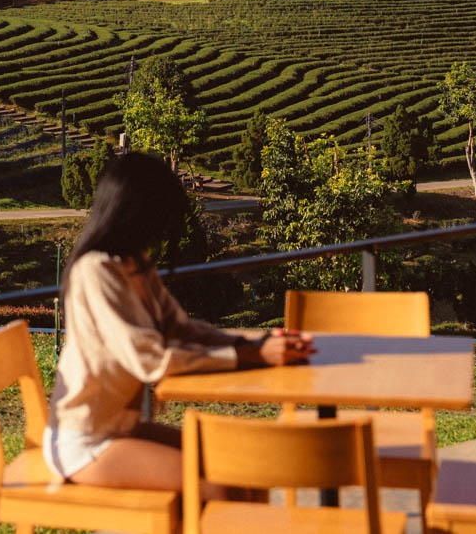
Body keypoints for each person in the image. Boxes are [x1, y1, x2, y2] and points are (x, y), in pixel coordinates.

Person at [44, 152, 314, 493]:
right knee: (220, 489)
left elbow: (179, 326)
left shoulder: (133, 264)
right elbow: (150, 360)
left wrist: (252, 344)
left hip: (122, 427)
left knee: (246, 470)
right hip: (85, 441)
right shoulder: (95, 272)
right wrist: (252, 356)